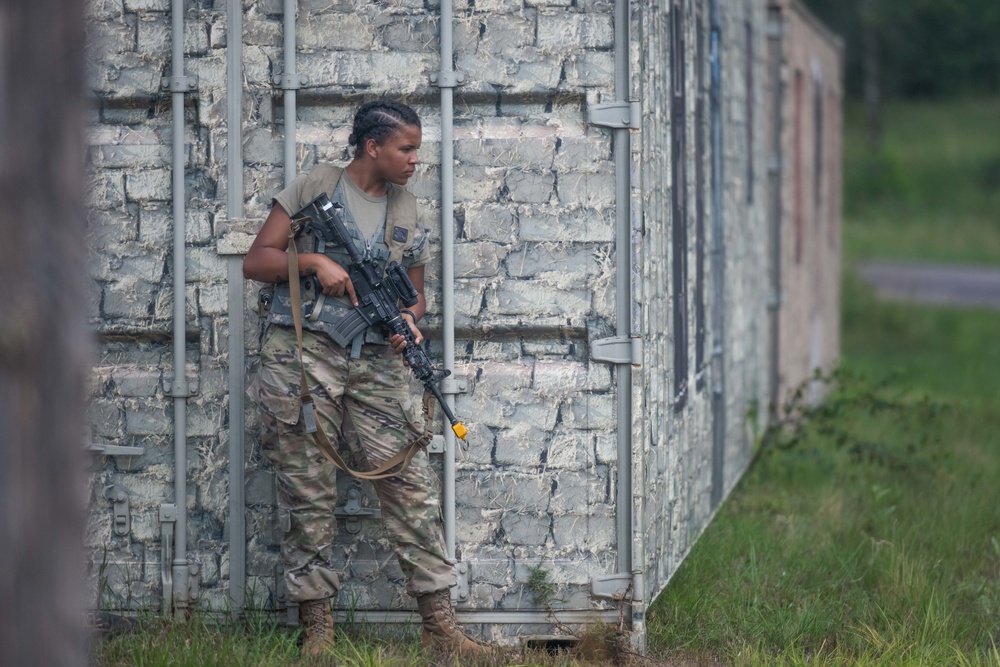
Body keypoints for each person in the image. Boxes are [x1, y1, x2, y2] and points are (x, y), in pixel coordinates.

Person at [243, 100, 485, 658]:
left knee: (410, 485)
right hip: (305, 356)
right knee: (307, 489)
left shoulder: (405, 208)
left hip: (376, 360)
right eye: (406, 148)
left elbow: (416, 294)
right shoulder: (314, 186)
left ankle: (440, 628)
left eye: (417, 149)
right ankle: (318, 631)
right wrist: (313, 265)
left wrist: (408, 320)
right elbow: (257, 260)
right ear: (372, 146)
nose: (415, 160)